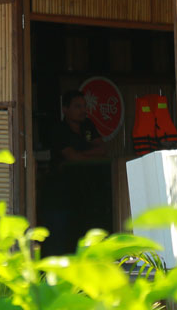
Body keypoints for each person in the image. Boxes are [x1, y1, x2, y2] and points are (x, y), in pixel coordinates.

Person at [43, 89, 110, 252]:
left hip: (88, 191)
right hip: (63, 193)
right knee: (66, 237)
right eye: (77, 106)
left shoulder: (88, 125)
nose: (83, 110)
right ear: (65, 109)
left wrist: (82, 154)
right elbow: (72, 157)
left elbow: (102, 149)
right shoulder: (59, 130)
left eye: (84, 106)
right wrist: (87, 154)